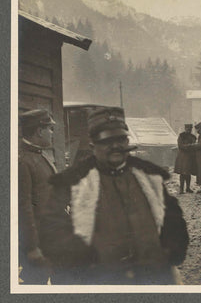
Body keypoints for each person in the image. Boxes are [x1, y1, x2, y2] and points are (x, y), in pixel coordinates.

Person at [40, 107, 189, 285]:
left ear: (127, 141)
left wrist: (170, 251)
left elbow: (172, 218)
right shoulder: (72, 182)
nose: (115, 146)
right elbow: (52, 229)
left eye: (120, 139)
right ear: (92, 146)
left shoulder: (149, 177)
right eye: (107, 141)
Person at [18, 109, 56, 284]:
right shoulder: (23, 162)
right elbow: (23, 208)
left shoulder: (41, 156)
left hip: (50, 237)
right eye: (50, 128)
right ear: (40, 131)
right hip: (37, 242)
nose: (52, 133)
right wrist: (31, 246)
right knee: (35, 283)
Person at [174, 124, 197, 194]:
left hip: (190, 157)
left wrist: (191, 146)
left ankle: (187, 188)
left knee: (188, 173)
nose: (189, 130)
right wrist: (189, 146)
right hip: (182, 157)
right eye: (187, 129)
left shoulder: (193, 137)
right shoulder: (181, 136)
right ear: (185, 128)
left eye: (190, 129)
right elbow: (180, 146)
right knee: (182, 173)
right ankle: (181, 189)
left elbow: (194, 145)